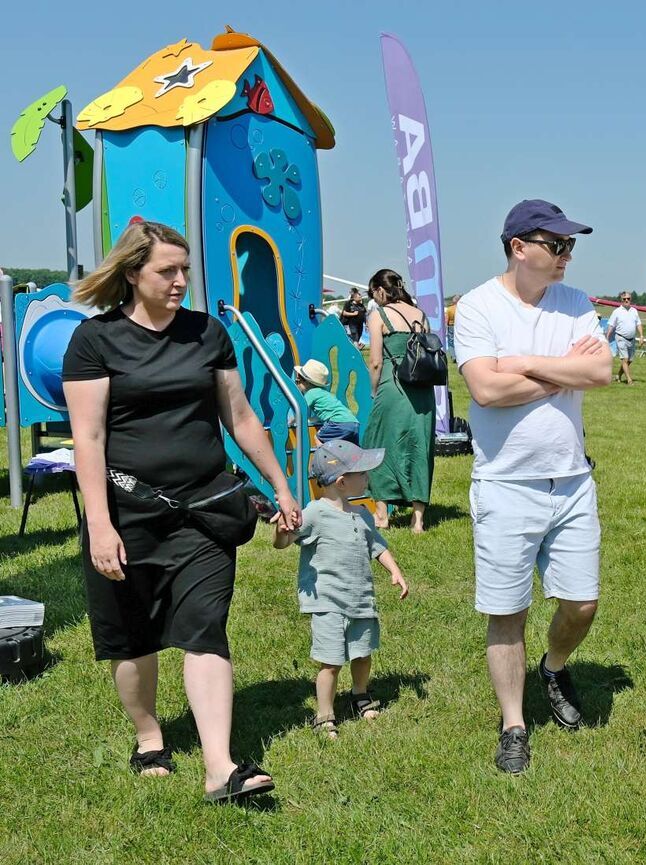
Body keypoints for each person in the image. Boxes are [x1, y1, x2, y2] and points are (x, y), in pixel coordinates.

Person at [62, 220, 301, 804]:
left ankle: (220, 767)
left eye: (184, 270)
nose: (179, 281)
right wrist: (100, 524)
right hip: (127, 514)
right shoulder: (95, 341)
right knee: (133, 641)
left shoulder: (206, 333)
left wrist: (282, 485)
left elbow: (239, 416)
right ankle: (149, 736)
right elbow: (88, 439)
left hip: (203, 511)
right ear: (132, 274)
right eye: (167, 271)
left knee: (205, 628)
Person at [454, 199, 611, 774]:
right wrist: (557, 367)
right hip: (505, 483)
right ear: (519, 247)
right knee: (507, 609)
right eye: (557, 244)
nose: (568, 254)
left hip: (572, 479)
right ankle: (514, 724)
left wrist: (521, 363)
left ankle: (554, 664)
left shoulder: (576, 304)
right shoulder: (476, 306)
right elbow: (486, 393)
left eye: (571, 245)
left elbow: (600, 373)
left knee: (583, 602)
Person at [273, 440, 409, 739]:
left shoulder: (361, 513)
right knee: (331, 661)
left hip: (361, 598)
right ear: (342, 481)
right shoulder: (315, 513)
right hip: (328, 601)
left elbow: (377, 546)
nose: (368, 478)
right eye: (363, 473)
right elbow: (284, 543)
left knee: (363, 653)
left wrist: (395, 570)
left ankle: (359, 693)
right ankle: (324, 715)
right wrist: (282, 531)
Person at [362, 269, 435, 534]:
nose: (374, 298)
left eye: (373, 293)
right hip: (423, 391)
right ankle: (418, 519)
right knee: (419, 446)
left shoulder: (378, 315)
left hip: (393, 387)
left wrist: (374, 389)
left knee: (377, 443)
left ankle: (382, 515)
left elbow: (376, 361)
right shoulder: (421, 315)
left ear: (381, 290)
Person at [294, 359, 359, 444]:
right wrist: (310, 420)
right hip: (353, 423)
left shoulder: (310, 393)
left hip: (338, 423)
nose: (297, 382)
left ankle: (322, 456)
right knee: (350, 448)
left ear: (306, 381)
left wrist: (292, 420)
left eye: (298, 380)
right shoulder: (323, 393)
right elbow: (321, 416)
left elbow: (300, 409)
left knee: (318, 438)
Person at [604, 292, 643, 384]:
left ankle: (619, 375)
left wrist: (641, 335)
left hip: (632, 339)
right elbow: (611, 325)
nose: (626, 300)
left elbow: (638, 324)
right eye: (624, 299)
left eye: (628, 298)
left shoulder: (634, 311)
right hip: (621, 337)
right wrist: (607, 337)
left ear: (630, 299)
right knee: (625, 359)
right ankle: (629, 380)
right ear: (621, 300)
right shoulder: (616, 312)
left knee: (629, 360)